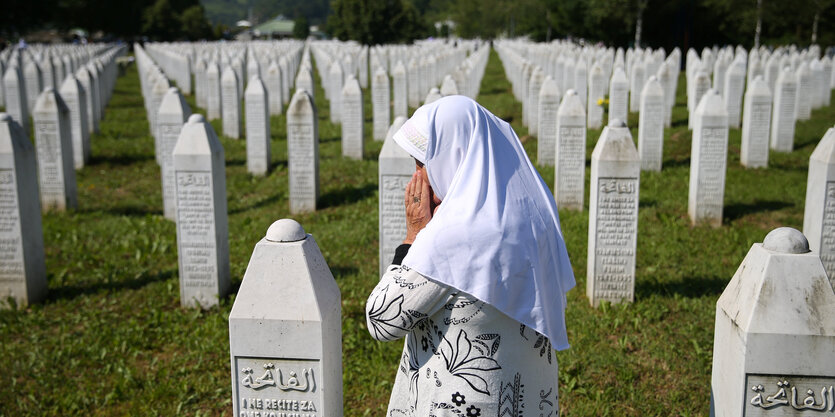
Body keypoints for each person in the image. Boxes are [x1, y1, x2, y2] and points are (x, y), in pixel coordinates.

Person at [365, 95, 575, 417]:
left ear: (452, 156)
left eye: (422, 163)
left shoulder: (451, 237)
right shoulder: (535, 210)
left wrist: (413, 238)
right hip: (525, 398)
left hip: (461, 403)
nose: (416, 178)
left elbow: (382, 320)